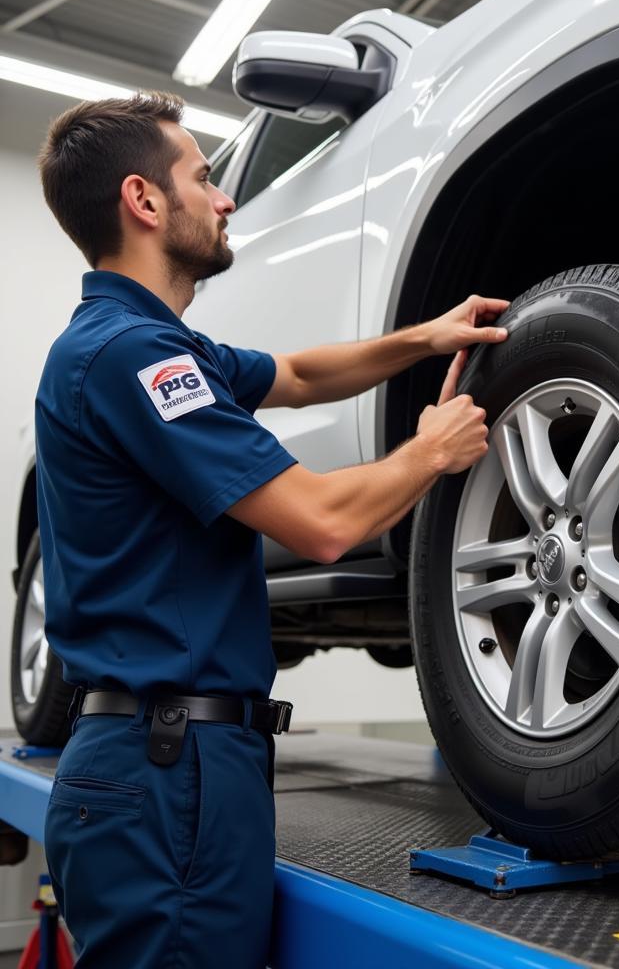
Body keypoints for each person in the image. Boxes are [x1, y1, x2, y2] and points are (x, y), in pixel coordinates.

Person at [33, 91, 508, 968]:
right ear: (144, 201)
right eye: (205, 179)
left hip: (169, 760)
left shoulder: (145, 343)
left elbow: (294, 374)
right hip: (167, 770)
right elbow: (323, 525)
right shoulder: (134, 357)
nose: (224, 200)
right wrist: (428, 453)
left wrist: (423, 338)